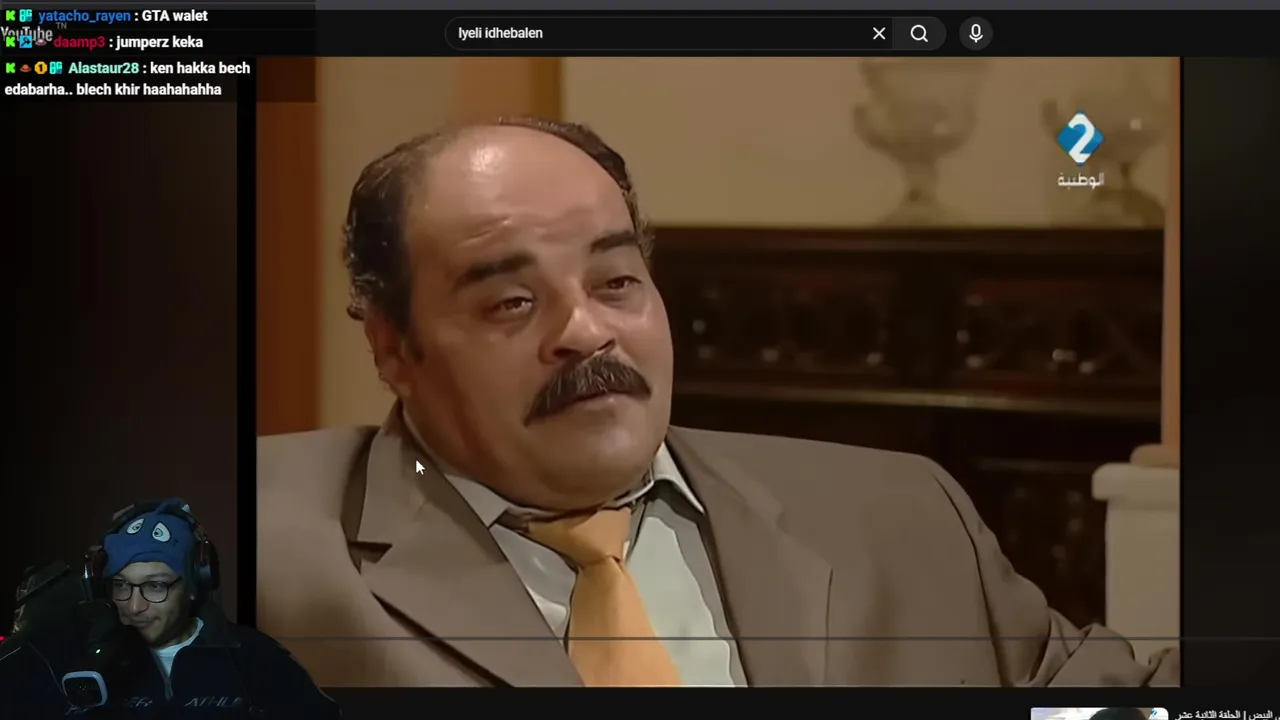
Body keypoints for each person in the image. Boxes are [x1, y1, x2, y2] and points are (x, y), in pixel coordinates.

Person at [256, 116, 1180, 687]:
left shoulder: (900, 515)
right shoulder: (260, 546)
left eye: (617, 282)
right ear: (393, 346)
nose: (586, 332)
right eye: (511, 302)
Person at [0, 499, 341, 717]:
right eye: (121, 585)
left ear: (194, 585)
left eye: (155, 586)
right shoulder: (67, 659)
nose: (134, 606)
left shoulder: (255, 658)